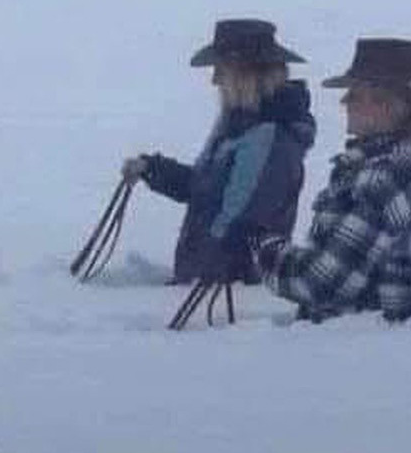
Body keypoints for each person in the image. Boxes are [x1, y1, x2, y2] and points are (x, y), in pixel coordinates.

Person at [252, 38, 411, 323]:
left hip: (371, 344)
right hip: (387, 342)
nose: (345, 102)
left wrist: (261, 245)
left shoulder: (387, 176)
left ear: (386, 104)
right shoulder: (408, 166)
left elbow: (322, 283)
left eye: (354, 93)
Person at [122, 19, 316, 285]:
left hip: (230, 291)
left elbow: (241, 224)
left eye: (221, 70)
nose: (214, 80)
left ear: (248, 74)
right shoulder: (241, 125)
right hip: (210, 288)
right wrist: (152, 168)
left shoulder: (270, 137)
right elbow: (205, 190)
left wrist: (206, 274)